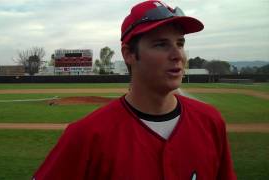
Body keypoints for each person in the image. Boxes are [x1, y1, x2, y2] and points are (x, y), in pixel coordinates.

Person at [33, 1, 236, 179]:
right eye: (161, 44)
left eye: (180, 43)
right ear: (129, 54)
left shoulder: (211, 121)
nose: (178, 55)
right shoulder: (85, 136)